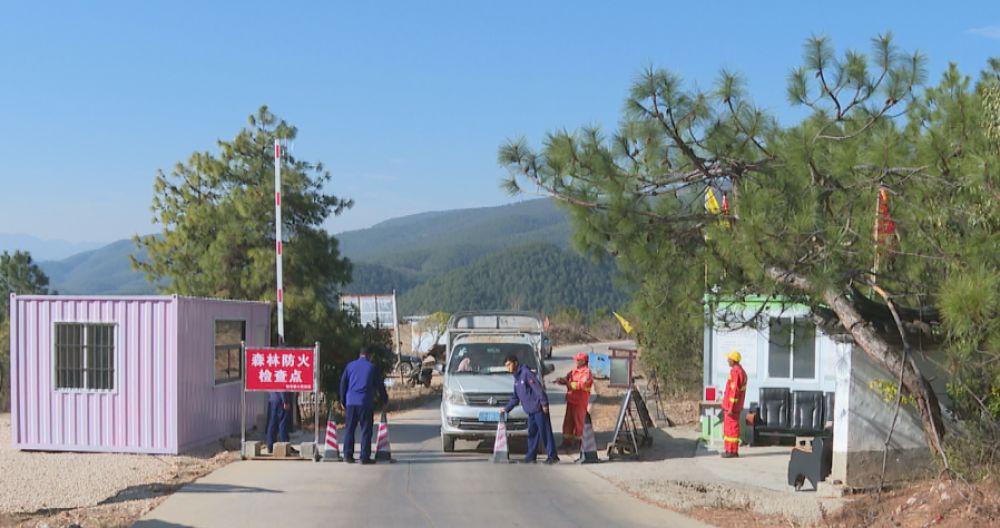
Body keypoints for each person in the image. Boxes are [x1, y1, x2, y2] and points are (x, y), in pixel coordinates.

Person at [500, 354, 559, 464]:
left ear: (515, 363)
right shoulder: (517, 378)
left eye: (509, 365)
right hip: (531, 411)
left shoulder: (526, 374)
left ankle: (552, 456)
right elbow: (516, 397)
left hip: (539, 408)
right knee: (532, 433)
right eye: (506, 366)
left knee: (545, 433)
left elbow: (538, 389)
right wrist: (506, 408)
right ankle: (531, 456)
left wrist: (544, 403)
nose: (508, 368)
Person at [339, 347, 390, 464]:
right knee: (366, 430)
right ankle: (364, 457)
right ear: (369, 356)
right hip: (365, 402)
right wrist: (384, 400)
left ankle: (347, 455)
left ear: (360, 355)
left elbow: (343, 383)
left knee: (349, 429)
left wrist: (342, 400)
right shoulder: (372, 367)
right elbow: (380, 385)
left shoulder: (350, 366)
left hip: (351, 402)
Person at [556, 352, 594, 451]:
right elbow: (567, 379)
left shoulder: (587, 373)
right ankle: (566, 442)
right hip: (571, 400)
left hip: (580, 401)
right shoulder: (573, 371)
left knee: (579, 422)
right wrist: (561, 380)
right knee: (568, 422)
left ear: (583, 361)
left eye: (578, 360)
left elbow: (581, 385)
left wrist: (568, 383)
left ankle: (579, 443)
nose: (576, 362)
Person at [721, 350, 748, 458]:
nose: (727, 360)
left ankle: (732, 451)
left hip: (731, 408)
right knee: (730, 428)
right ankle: (729, 450)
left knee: (731, 429)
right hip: (734, 407)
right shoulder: (741, 371)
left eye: (729, 359)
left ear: (733, 360)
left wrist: (731, 408)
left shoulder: (735, 372)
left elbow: (734, 392)